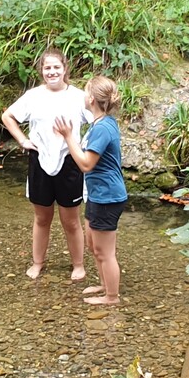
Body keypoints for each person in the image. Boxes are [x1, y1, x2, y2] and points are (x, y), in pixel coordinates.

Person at [1, 46, 88, 281]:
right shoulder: (33, 96)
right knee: (42, 218)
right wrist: (22, 140)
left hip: (69, 161)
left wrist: (88, 148)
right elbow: (7, 116)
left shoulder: (78, 96)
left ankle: (78, 265)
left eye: (56, 67)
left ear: (65, 69)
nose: (52, 72)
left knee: (71, 220)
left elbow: (99, 118)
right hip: (39, 159)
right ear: (41, 70)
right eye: (47, 68)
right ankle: (37, 263)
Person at [57, 74, 126, 306]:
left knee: (105, 251)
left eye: (86, 91)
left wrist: (68, 137)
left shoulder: (103, 128)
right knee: (93, 245)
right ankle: (105, 285)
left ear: (92, 99)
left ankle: (112, 297)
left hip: (108, 196)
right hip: (98, 194)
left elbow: (86, 164)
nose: (84, 95)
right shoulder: (99, 123)